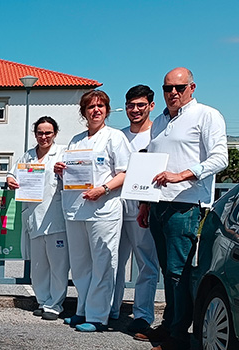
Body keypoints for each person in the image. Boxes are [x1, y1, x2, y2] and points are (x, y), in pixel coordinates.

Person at [136, 68, 227, 350]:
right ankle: (170, 324)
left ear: (192, 87)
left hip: (186, 204)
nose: (172, 93)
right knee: (168, 270)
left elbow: (220, 158)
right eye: (167, 88)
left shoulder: (207, 115)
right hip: (159, 203)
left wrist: (183, 174)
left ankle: (178, 336)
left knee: (179, 272)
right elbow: (152, 161)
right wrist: (144, 202)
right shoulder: (161, 120)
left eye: (179, 87)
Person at [54, 90, 131, 332]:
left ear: (107, 110)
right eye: (90, 107)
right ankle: (82, 310)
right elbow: (72, 173)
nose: (96, 110)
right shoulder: (76, 140)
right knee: (80, 265)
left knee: (103, 263)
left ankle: (98, 316)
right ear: (83, 112)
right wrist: (60, 170)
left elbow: (126, 173)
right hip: (76, 209)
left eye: (100, 106)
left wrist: (104, 189)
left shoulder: (115, 137)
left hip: (103, 209)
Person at [6, 116, 69, 321]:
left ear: (55, 134)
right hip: (33, 215)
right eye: (40, 133)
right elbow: (12, 173)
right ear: (35, 134)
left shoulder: (63, 153)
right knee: (39, 264)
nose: (44, 137)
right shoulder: (28, 156)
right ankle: (42, 300)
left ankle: (55, 304)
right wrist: (10, 180)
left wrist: (64, 172)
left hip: (55, 217)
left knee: (58, 264)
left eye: (48, 133)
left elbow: (76, 177)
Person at [110, 85, 160, 335]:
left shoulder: (158, 134)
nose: (135, 110)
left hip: (144, 207)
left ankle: (142, 315)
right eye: (131, 105)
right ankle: (111, 309)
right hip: (116, 206)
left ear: (151, 106)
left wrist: (147, 204)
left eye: (141, 105)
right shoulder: (118, 136)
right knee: (112, 261)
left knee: (146, 264)